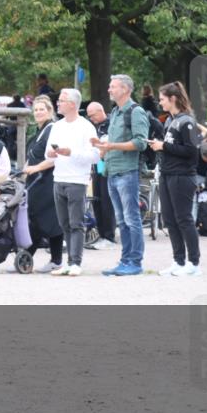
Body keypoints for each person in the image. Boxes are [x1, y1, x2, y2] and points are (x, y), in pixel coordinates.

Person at [92, 74, 149, 276]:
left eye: (113, 86)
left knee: (132, 218)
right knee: (122, 220)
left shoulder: (135, 112)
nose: (109, 90)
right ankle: (125, 260)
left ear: (125, 89)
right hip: (112, 171)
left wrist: (112, 146)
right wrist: (103, 148)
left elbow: (141, 142)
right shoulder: (115, 112)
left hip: (128, 172)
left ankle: (135, 261)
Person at [148, 82, 203, 276]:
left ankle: (194, 263)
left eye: (162, 99)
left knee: (184, 219)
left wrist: (163, 146)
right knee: (170, 220)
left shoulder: (187, 121)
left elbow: (191, 152)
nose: (159, 102)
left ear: (172, 99)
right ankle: (178, 261)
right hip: (167, 174)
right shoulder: (170, 120)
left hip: (182, 176)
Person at [45, 88, 99, 277]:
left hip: (77, 179)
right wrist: (52, 153)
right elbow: (47, 153)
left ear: (73, 104)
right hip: (58, 178)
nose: (58, 103)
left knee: (76, 222)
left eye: (61, 100)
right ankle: (68, 262)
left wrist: (71, 153)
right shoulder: (57, 126)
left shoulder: (86, 127)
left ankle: (76, 261)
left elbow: (95, 155)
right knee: (64, 222)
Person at [22, 95, 65, 272]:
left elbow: (57, 156)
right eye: (36, 110)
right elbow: (32, 156)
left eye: (42, 109)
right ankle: (26, 257)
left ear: (50, 111)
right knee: (35, 218)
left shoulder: (52, 129)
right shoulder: (38, 131)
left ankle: (54, 259)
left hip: (47, 180)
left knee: (49, 219)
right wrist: (25, 170)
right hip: (35, 181)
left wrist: (36, 168)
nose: (38, 112)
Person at [84, 101, 117, 249]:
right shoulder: (91, 126)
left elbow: (109, 145)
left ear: (100, 111)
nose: (91, 119)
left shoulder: (111, 123)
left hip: (108, 166)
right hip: (95, 166)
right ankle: (101, 234)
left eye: (92, 116)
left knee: (106, 202)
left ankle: (109, 236)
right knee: (96, 200)